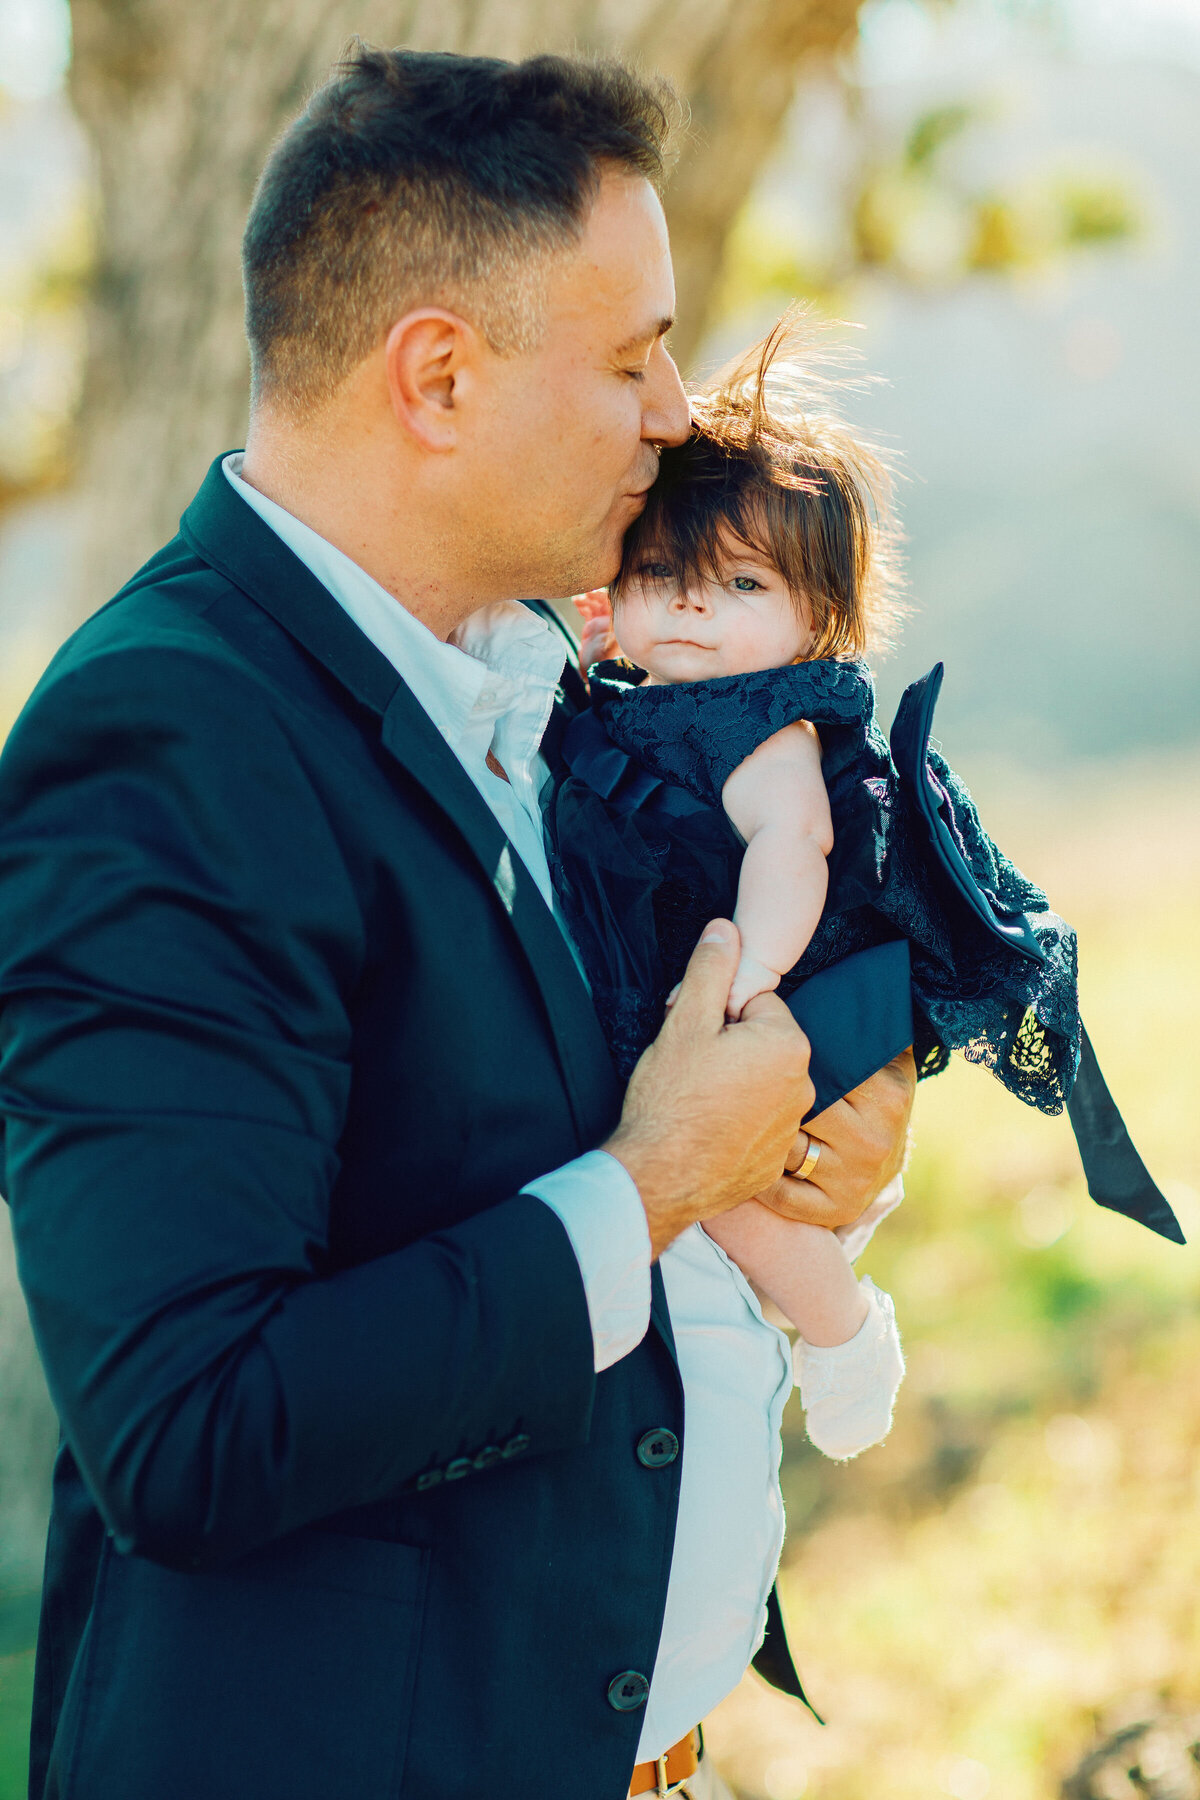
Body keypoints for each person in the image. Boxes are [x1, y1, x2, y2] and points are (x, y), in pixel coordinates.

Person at [0, 47, 916, 1800]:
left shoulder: (548, 675)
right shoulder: (164, 741)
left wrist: (822, 1141)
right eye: (632, 351)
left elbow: (581, 1073)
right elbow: (193, 1428)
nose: (674, 407)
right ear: (436, 375)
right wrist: (656, 1182)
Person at [549, 313, 1182, 1376]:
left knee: (733, 1204)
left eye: (744, 586)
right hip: (675, 1009)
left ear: (818, 620)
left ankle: (845, 1338)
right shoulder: (655, 693)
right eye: (663, 575)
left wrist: (745, 986)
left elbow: (792, 846)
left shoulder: (765, 725)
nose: (696, 608)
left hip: (743, 1009)